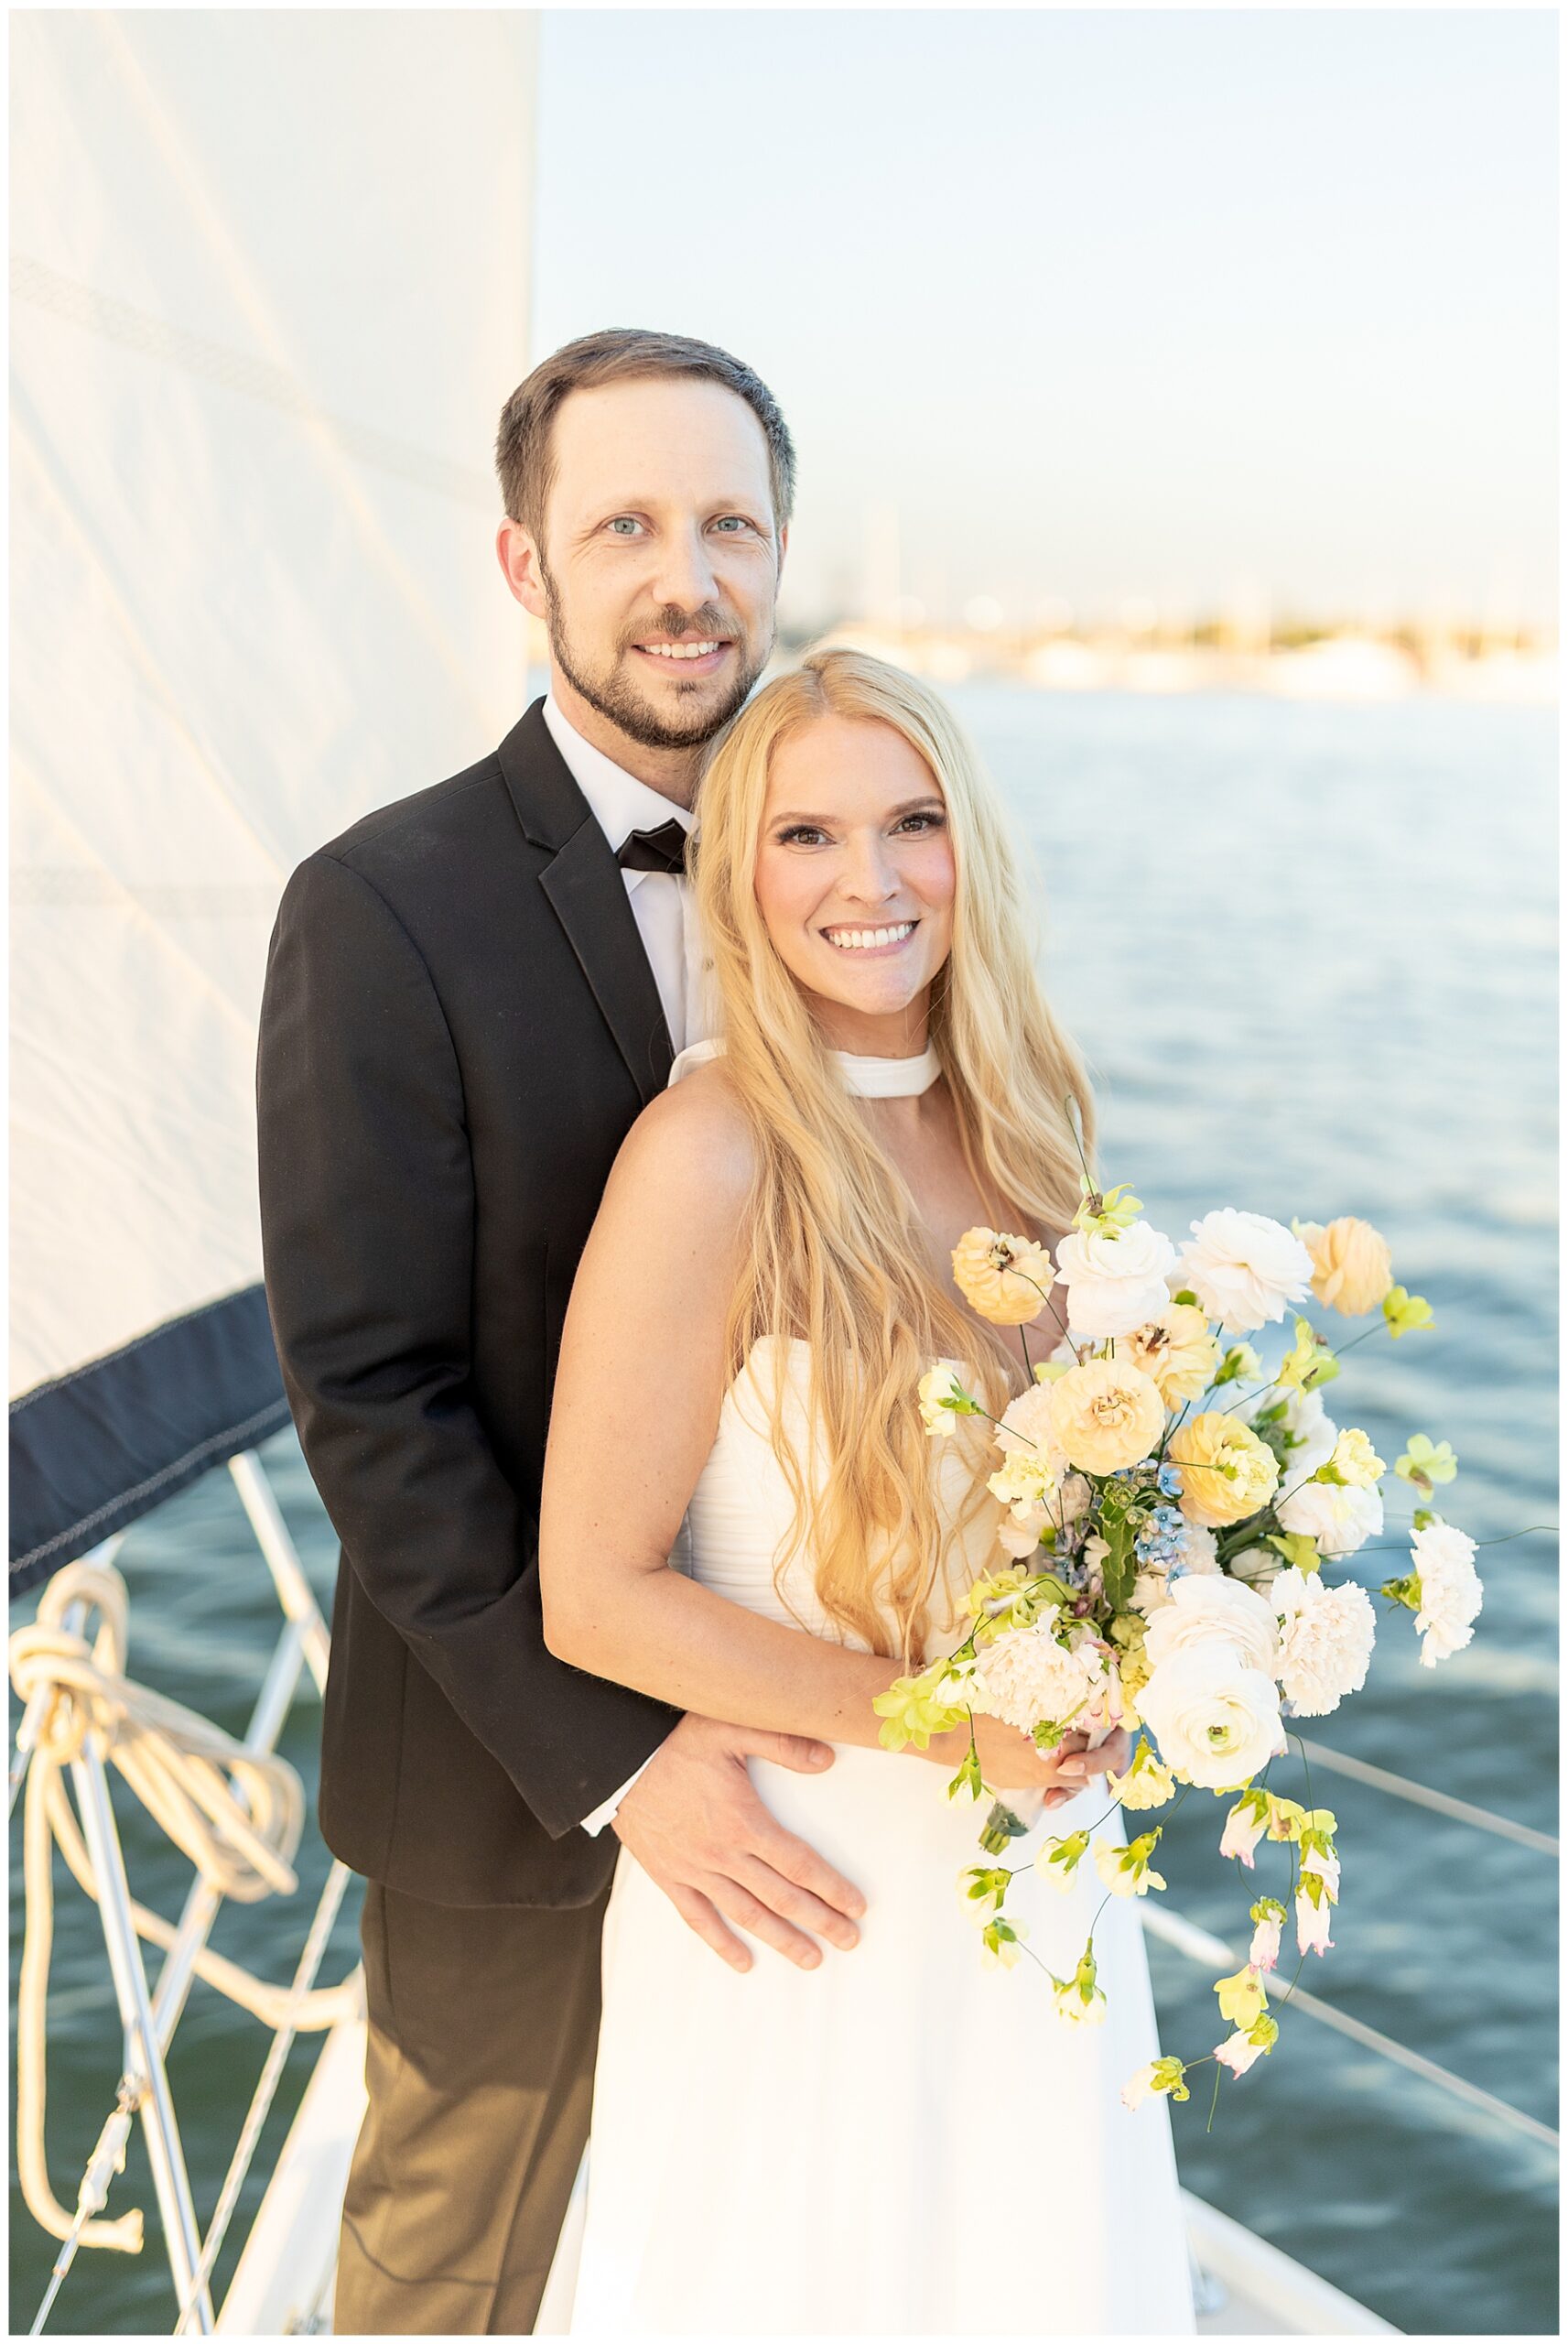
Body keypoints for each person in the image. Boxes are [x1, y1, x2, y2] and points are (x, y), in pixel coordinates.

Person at [256, 330, 877, 2335]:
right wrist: (626, 1756)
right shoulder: (381, 902)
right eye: (624, 523)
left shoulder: (870, 869)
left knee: (791, 2233)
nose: (682, 575)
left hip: (831, 1709)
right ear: (524, 565)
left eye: (725, 523)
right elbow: (371, 1396)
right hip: (516, 1760)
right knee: (455, 2266)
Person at [535, 648, 1195, 2334]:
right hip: (800, 1878)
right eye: (806, 837)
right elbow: (595, 1592)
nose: (870, 881)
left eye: (910, 823)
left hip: (1036, 1867)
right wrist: (939, 1723)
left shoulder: (1026, 1144)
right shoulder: (713, 1155)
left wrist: (1149, 1658)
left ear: (967, 842)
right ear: (741, 881)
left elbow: (1071, 1510)